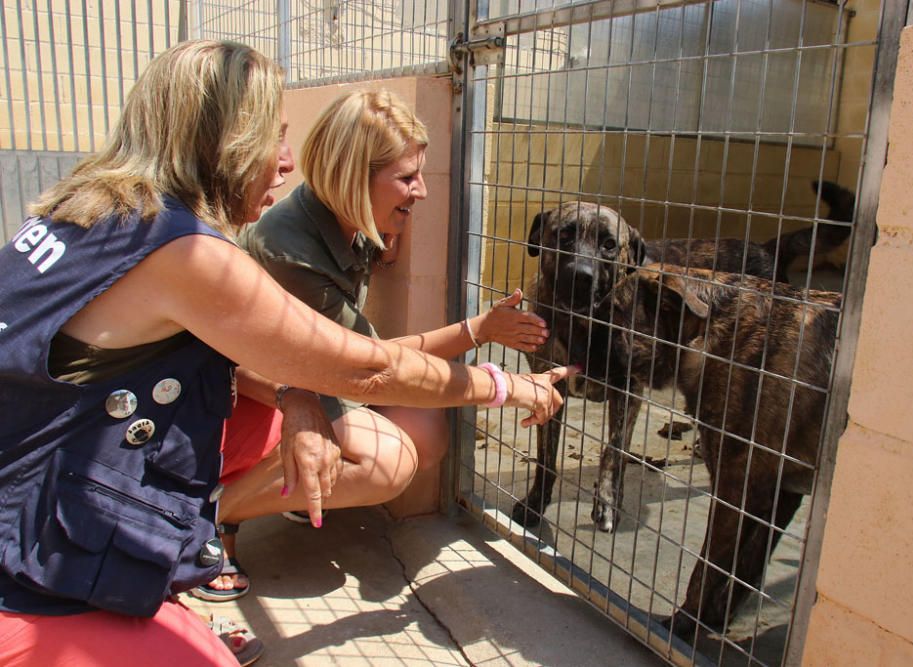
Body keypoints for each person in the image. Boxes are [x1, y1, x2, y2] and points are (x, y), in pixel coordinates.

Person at [0, 40, 570, 667]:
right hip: (25, 547)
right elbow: (366, 366)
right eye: (271, 137)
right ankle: (202, 540)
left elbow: (258, 351)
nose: (285, 161)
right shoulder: (183, 251)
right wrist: (506, 385)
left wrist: (300, 394)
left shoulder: (94, 212)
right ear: (223, 142)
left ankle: (172, 573)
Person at [190, 89, 551, 602]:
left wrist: (479, 330)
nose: (422, 191)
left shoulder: (352, 221)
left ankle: (286, 493)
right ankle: (213, 511)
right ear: (354, 177)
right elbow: (373, 368)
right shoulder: (291, 251)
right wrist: (504, 382)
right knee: (389, 461)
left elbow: (370, 357)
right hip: (246, 394)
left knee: (426, 430)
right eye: (407, 178)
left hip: (305, 373)